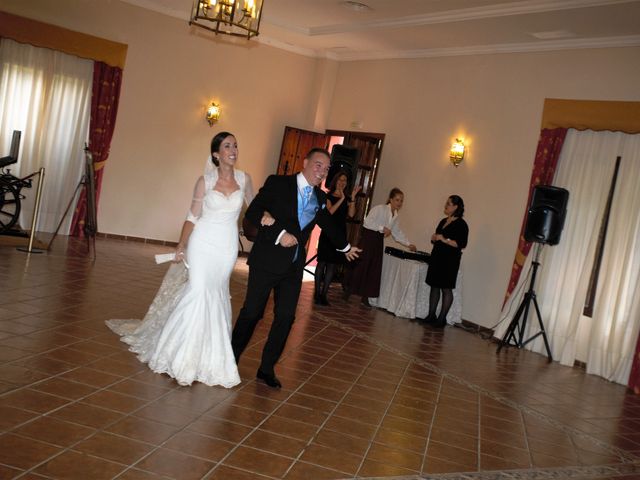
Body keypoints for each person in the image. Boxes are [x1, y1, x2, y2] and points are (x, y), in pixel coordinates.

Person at [106, 131, 272, 387]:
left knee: (216, 294)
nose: (233, 149)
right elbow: (193, 216)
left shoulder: (244, 179)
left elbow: (255, 206)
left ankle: (209, 356)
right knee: (197, 291)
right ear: (216, 154)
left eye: (236, 145)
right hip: (202, 243)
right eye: (227, 146)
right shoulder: (204, 181)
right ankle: (176, 354)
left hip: (226, 247)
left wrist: (268, 218)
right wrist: (181, 244)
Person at [231, 148, 361, 389]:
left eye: (325, 168)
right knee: (252, 313)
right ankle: (230, 360)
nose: (321, 171)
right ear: (305, 162)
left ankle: (266, 369)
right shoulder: (278, 183)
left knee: (286, 317)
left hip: (293, 267)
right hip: (267, 260)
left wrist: (345, 248)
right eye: (318, 165)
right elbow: (254, 212)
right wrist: (280, 234)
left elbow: (328, 225)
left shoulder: (320, 198)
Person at [345, 188, 416, 307]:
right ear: (391, 199)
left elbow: (396, 232)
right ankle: (348, 291)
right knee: (361, 266)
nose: (399, 203)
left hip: (378, 242)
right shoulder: (380, 209)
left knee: (373, 268)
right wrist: (382, 228)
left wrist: (408, 244)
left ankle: (365, 297)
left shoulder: (395, 216)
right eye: (397, 200)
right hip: (368, 240)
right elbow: (367, 222)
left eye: (401, 201)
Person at [421, 195, 468, 328]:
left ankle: (441, 319)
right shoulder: (443, 221)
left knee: (446, 289)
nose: (445, 206)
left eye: (448, 204)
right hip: (437, 257)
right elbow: (437, 237)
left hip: (449, 261)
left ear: (455, 207)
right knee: (434, 285)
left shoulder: (461, 224)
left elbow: (461, 244)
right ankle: (431, 315)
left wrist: (444, 239)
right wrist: (435, 238)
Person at [314, 171, 361, 306]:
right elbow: (329, 213)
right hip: (328, 234)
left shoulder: (347, 198)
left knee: (332, 265)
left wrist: (351, 198)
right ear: (336, 181)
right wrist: (341, 199)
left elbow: (351, 214)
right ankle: (317, 294)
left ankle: (324, 295)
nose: (342, 183)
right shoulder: (327, 196)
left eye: (345, 181)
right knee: (322, 263)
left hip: (340, 235)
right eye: (340, 180)